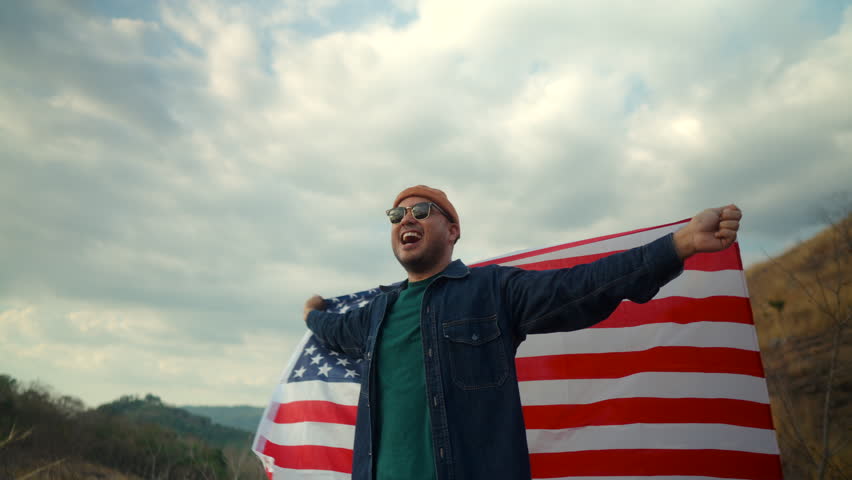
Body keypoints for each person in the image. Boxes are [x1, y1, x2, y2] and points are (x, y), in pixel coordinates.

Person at [303, 185, 742, 480]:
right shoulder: (377, 312)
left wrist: (678, 245)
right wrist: (312, 315)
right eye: (396, 214)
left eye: (421, 211)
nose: (405, 219)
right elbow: (334, 330)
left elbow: (583, 285)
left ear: (453, 231)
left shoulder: (493, 290)